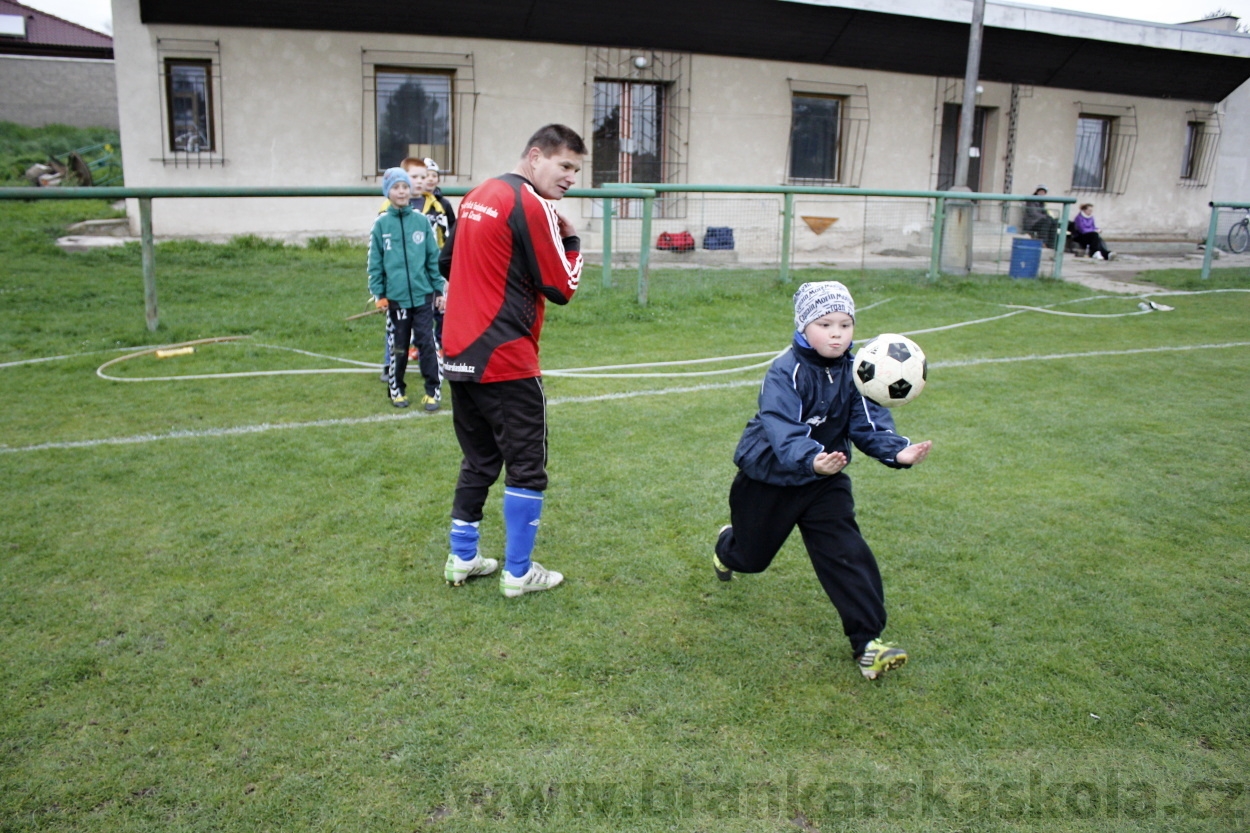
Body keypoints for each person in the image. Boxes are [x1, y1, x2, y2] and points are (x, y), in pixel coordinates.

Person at [713, 281, 932, 680]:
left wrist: (896, 451)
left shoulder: (859, 370)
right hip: (771, 477)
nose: (836, 333)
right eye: (825, 323)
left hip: (825, 481)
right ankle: (728, 546)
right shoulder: (785, 371)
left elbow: (866, 422)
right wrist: (812, 460)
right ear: (803, 326)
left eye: (845, 324)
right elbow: (781, 427)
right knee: (752, 558)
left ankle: (868, 643)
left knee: (846, 552)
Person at [439, 124, 586, 596]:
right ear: (536, 156)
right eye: (565, 166)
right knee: (526, 467)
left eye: (576, 171)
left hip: (459, 354)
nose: (570, 179)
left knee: (479, 459)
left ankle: (462, 560)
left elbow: (448, 262)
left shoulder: (479, 192)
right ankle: (519, 572)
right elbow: (562, 287)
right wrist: (574, 242)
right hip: (506, 359)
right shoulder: (532, 204)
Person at [367, 167, 445, 410]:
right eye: (395, 187)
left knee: (427, 344)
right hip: (396, 300)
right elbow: (375, 263)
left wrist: (439, 290)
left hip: (423, 297)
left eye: (404, 187)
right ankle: (397, 390)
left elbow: (433, 259)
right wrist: (379, 295)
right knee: (398, 347)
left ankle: (433, 391)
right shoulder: (381, 224)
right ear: (387, 192)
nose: (401, 192)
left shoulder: (421, 222)